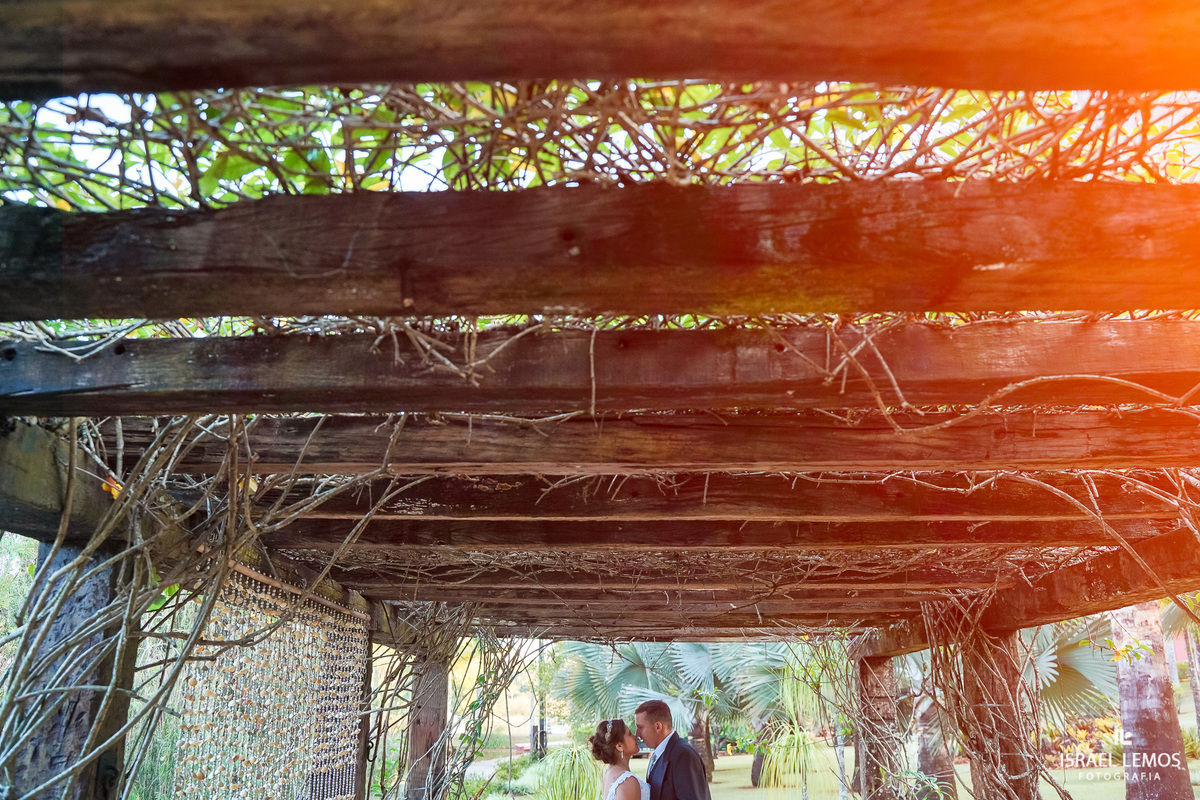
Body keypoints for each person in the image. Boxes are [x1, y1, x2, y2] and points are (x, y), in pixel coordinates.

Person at [634, 700, 711, 800]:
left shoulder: (683, 755)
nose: (637, 734)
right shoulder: (658, 754)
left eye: (640, 727)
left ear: (658, 726)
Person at [589, 718, 650, 800]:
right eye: (630, 734)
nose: (635, 736)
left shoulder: (609, 771)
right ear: (619, 746)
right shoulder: (627, 781)